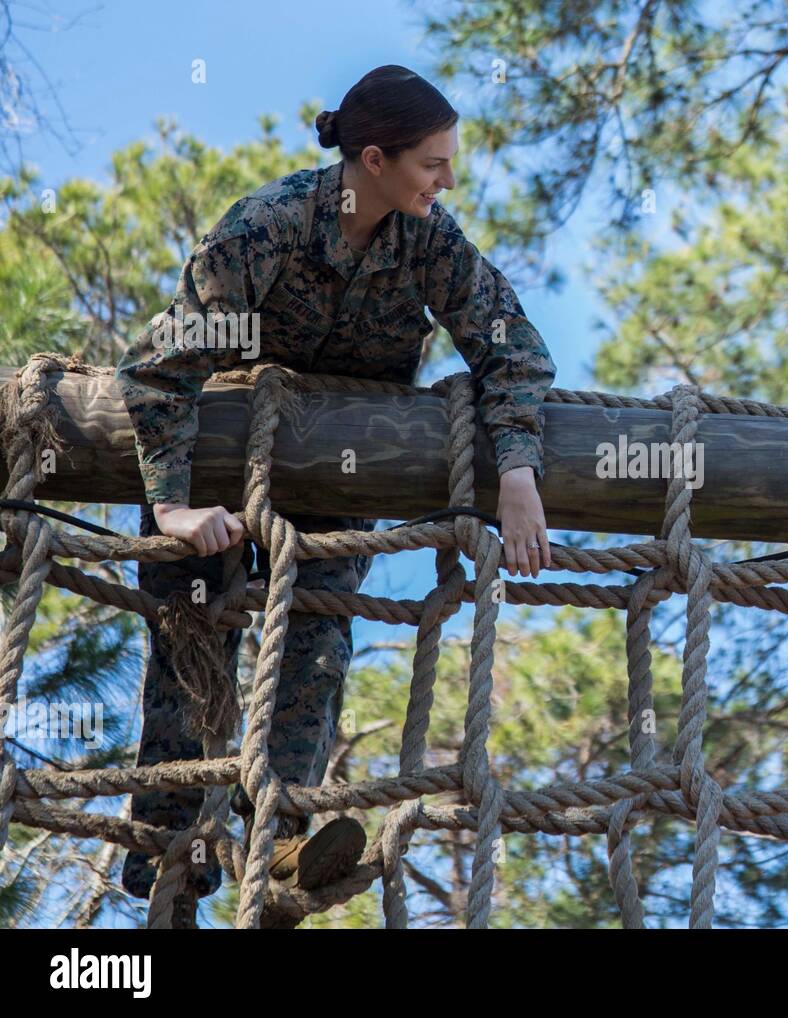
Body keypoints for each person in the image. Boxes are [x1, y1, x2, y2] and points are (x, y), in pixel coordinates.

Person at [115, 65, 557, 920]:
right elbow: (158, 371)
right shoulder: (266, 227)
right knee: (191, 653)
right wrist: (171, 507)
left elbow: (515, 350)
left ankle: (279, 853)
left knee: (313, 658)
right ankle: (171, 873)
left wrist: (516, 470)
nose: (449, 180)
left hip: (338, 475)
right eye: (434, 163)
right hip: (215, 468)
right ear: (375, 158)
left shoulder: (431, 241)